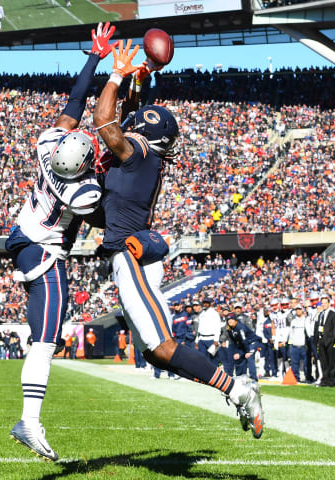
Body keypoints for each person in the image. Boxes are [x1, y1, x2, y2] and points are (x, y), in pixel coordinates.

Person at [93, 38, 263, 439]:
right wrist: (142, 77)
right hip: (132, 255)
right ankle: (236, 389)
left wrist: (117, 74)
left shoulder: (138, 155)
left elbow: (106, 123)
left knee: (163, 347)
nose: (130, 127)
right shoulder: (147, 156)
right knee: (158, 353)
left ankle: (240, 390)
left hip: (131, 257)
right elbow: (127, 116)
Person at [6, 22, 116, 462]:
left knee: (42, 337)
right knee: (46, 341)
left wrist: (94, 57)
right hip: (46, 251)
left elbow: (73, 103)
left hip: (23, 235)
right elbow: (105, 204)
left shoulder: (50, 144)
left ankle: (29, 419)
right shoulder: (81, 192)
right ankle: (29, 421)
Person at [226, 314, 259, 381]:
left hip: (251, 343)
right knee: (239, 358)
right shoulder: (230, 329)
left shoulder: (240, 328)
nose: (230, 321)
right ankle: (240, 377)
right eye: (228, 320)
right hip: (243, 344)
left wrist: (247, 352)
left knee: (249, 357)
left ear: (235, 320)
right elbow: (234, 342)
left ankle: (254, 379)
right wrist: (236, 352)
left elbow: (245, 341)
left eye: (232, 319)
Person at [314, 294, 335, 387]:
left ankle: (331, 381)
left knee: (331, 361)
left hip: (329, 341)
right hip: (321, 341)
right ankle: (325, 379)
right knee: (323, 362)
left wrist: (332, 339)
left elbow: (334, 328)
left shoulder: (332, 314)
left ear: (329, 304)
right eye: (322, 303)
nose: (323, 305)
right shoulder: (320, 315)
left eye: (325, 303)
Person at [195, 298, 222, 366]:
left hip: (211, 339)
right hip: (202, 339)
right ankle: (205, 375)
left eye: (207, 302)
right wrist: (197, 340)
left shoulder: (214, 313)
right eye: (204, 302)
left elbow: (218, 327)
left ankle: (215, 375)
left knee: (213, 359)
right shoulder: (201, 313)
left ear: (210, 304)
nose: (205, 304)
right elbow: (199, 328)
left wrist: (216, 340)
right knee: (203, 359)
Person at [288, 304, 308, 382]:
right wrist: (291, 343)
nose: (298, 311)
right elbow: (291, 333)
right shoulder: (293, 321)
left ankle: (307, 377)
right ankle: (296, 378)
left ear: (302, 310)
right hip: (295, 345)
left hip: (303, 345)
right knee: (294, 363)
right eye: (296, 309)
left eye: (299, 309)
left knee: (306, 363)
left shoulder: (306, 320)